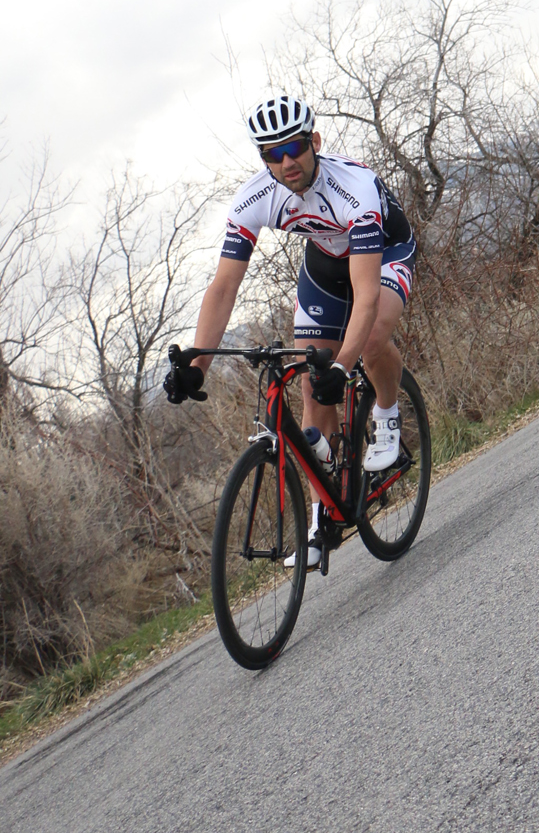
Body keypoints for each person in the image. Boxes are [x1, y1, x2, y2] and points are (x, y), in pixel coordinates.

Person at [163, 95, 417, 569]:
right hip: (324, 266)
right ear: (262, 159)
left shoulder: (354, 188)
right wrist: (197, 367)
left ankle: (386, 414)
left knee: (373, 337)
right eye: (271, 154)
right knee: (310, 384)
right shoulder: (257, 197)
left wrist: (344, 365)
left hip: (384, 252)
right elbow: (223, 287)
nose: (286, 161)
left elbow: (365, 298)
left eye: (295, 147)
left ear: (314, 141)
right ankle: (324, 507)